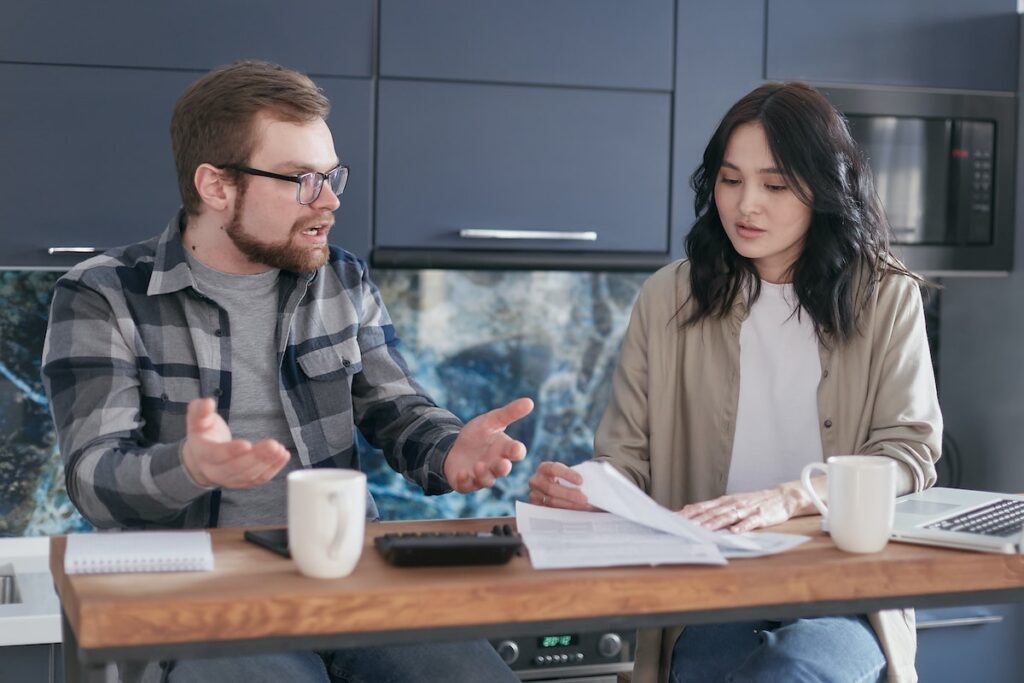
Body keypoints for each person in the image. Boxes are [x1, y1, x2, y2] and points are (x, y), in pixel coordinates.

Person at [41, 60, 531, 683]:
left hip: (346, 582)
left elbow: (397, 408)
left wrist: (448, 448)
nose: (328, 201)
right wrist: (188, 467)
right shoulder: (103, 295)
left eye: (330, 177)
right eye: (301, 179)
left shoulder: (341, 279)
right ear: (217, 186)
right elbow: (93, 480)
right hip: (200, 598)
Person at [528, 81, 941, 683]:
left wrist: (789, 497)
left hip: (841, 591)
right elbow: (625, 459)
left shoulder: (886, 297)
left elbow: (909, 452)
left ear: (825, 190)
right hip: (708, 588)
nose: (747, 205)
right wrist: (588, 490)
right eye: (730, 180)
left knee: (795, 670)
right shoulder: (668, 297)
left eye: (774, 186)